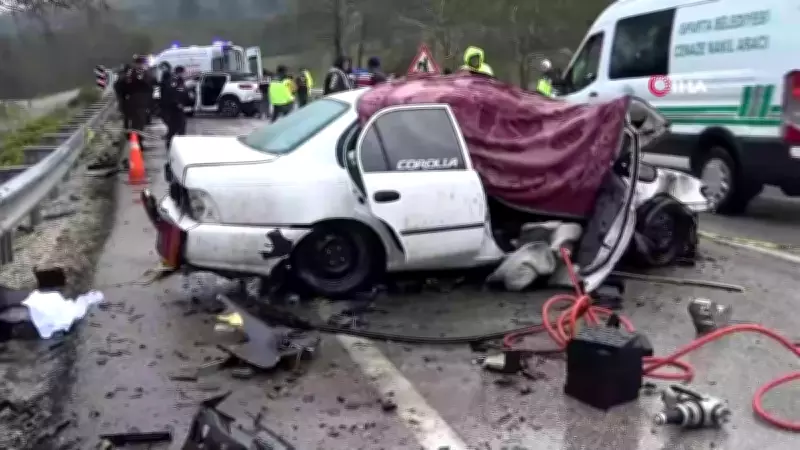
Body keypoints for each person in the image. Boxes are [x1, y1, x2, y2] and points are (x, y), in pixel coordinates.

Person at [122, 55, 156, 149]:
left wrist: (153, 103)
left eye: (142, 64)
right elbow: (122, 87)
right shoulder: (129, 74)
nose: (140, 66)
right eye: (138, 64)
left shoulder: (148, 74)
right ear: (135, 64)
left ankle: (138, 141)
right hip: (132, 103)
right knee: (135, 124)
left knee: (141, 123)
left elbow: (153, 87)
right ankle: (136, 142)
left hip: (144, 103)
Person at [161, 65, 188, 150]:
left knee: (181, 128)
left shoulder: (180, 81)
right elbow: (171, 95)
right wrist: (177, 103)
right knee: (173, 130)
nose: (184, 74)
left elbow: (183, 93)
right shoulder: (173, 81)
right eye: (183, 73)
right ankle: (170, 148)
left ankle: (179, 148)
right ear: (180, 72)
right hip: (173, 110)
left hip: (179, 110)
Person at [113, 63, 131, 142]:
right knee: (128, 118)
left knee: (126, 118)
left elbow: (116, 86)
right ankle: (128, 134)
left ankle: (127, 133)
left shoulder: (122, 77)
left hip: (123, 100)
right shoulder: (125, 77)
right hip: (125, 100)